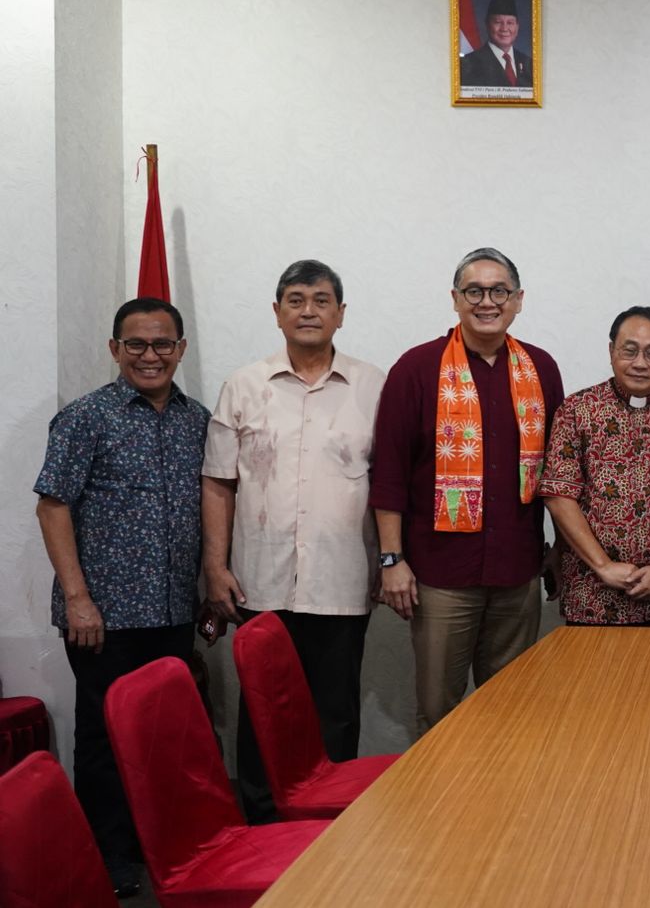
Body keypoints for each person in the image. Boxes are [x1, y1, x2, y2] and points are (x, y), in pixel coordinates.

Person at [33, 297, 209, 899]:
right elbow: (52, 506)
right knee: (105, 740)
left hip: (173, 610)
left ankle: (159, 845)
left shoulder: (198, 421)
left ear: (181, 349)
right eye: (136, 344)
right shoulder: (86, 418)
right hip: (103, 617)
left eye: (163, 344)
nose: (150, 356)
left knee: (167, 736)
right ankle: (108, 858)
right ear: (115, 350)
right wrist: (78, 597)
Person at [200, 260, 386, 820]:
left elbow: (393, 483)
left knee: (335, 713)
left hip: (343, 577)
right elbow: (218, 482)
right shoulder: (244, 385)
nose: (309, 310)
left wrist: (391, 559)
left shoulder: (374, 387)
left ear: (341, 313)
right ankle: (260, 822)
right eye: (297, 299)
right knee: (264, 712)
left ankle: (329, 833)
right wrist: (215, 567)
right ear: (277, 311)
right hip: (260, 579)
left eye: (322, 300)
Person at [369, 248, 564, 732]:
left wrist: (561, 549)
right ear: (455, 300)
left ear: (518, 300)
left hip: (517, 572)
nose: (487, 302)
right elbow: (388, 471)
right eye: (474, 291)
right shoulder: (416, 369)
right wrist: (391, 561)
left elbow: (559, 472)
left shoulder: (540, 369)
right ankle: (433, 807)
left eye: (499, 291)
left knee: (511, 710)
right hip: (440, 575)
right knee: (439, 710)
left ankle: (501, 805)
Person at [543, 306, 650, 626]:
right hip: (592, 595)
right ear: (611, 350)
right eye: (629, 350)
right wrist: (603, 566)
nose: (640, 363)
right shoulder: (577, 410)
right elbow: (559, 495)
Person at [459, 0, 533, 88]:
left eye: (510, 23)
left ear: (517, 26)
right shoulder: (467, 64)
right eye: (498, 22)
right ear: (487, 24)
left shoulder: (529, 64)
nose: (504, 28)